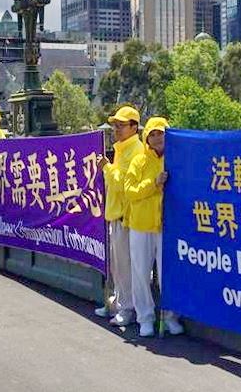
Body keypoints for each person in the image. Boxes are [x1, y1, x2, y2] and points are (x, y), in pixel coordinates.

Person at [125, 117, 184, 338]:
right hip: (141, 224)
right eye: (153, 134)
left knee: (168, 272)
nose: (158, 137)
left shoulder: (176, 159)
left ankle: (170, 317)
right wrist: (154, 184)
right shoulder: (139, 162)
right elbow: (130, 191)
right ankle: (145, 318)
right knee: (141, 272)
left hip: (167, 225)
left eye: (161, 133)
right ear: (146, 137)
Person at [95, 105, 145, 326]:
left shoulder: (135, 151)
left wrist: (106, 167)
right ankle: (119, 302)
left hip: (127, 216)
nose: (116, 128)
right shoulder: (124, 148)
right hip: (117, 214)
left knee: (125, 265)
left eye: (121, 125)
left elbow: (121, 184)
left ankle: (128, 308)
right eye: (115, 125)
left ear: (134, 127)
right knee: (117, 265)